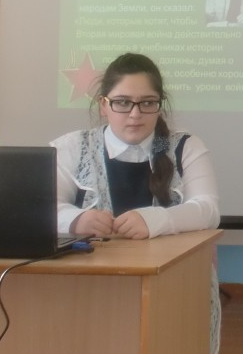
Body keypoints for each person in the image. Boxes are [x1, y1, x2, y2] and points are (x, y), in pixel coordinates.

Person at [52, 52, 222, 353]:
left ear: (159, 105)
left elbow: (208, 209)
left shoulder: (184, 146)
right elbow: (39, 207)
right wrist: (76, 220)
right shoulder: (72, 147)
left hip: (172, 285)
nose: (135, 114)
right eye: (122, 102)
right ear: (103, 105)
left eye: (147, 103)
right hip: (87, 289)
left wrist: (155, 219)